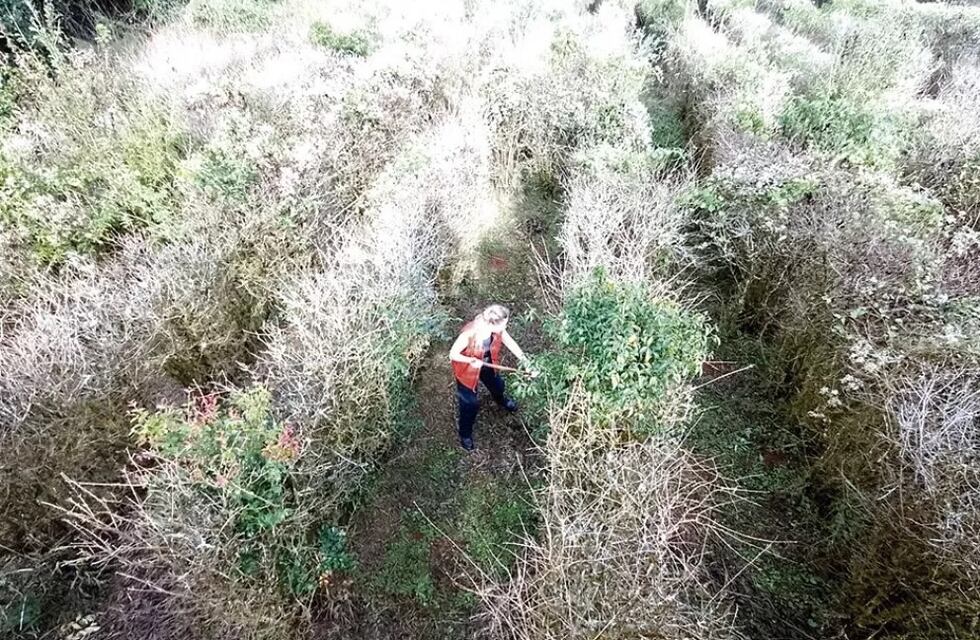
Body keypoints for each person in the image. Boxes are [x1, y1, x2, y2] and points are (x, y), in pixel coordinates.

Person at [449, 304, 535, 451]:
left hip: (488, 365)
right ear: (492, 324)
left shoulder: (497, 330)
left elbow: (509, 342)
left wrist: (526, 362)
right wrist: (470, 360)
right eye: (504, 324)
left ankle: (500, 400)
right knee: (469, 404)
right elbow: (453, 354)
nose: (505, 327)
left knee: (498, 386)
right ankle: (465, 434)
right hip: (467, 371)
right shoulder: (468, 334)